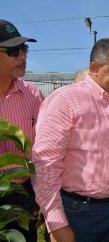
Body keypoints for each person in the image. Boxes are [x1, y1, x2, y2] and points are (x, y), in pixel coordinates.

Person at [32, 38, 109, 242]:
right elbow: (45, 165)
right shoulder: (65, 101)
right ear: (94, 68)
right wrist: (56, 221)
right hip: (79, 214)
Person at [0, 19, 44, 241]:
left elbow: (45, 149)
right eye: (13, 51)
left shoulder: (33, 96)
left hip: (23, 194)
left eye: (24, 49)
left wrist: (40, 195)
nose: (23, 56)